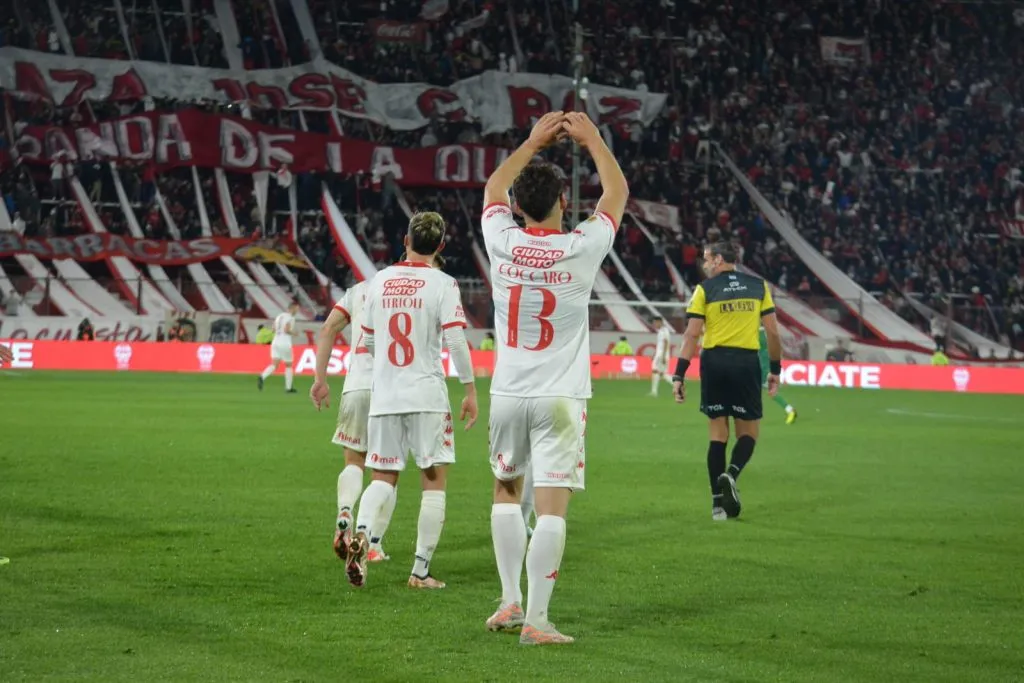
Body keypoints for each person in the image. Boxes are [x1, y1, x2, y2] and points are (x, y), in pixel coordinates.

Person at [481, 111, 628, 645]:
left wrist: (531, 140)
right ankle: (538, 622)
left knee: (504, 490)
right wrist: (591, 140)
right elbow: (617, 191)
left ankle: (508, 602)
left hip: (507, 391)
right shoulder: (581, 246)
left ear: (517, 208)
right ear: (565, 204)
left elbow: (494, 185)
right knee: (552, 506)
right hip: (561, 395)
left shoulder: (501, 239)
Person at [341, 212, 478, 590]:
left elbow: (366, 341)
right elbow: (454, 341)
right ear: (441, 247)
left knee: (383, 475)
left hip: (385, 394)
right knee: (433, 483)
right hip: (427, 395)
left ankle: (364, 534)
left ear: (405, 240)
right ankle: (419, 571)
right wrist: (469, 389)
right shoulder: (444, 284)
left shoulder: (379, 281)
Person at [672, 241, 782, 521]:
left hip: (714, 362)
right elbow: (772, 332)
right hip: (746, 363)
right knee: (749, 434)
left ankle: (717, 506)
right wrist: (775, 369)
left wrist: (679, 374)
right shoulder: (759, 287)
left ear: (720, 260)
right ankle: (730, 474)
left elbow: (691, 336)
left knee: (718, 434)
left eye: (707, 259)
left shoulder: (703, 290)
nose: (705, 264)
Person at [258, 302, 299, 393]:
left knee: (274, 364)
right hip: (284, 343)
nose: (297, 311)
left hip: (275, 342)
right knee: (288, 365)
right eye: (296, 309)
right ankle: (288, 388)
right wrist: (294, 333)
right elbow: (286, 330)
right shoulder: (290, 318)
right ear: (292, 308)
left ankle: (262, 376)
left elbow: (273, 329)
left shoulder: (279, 316)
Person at [759, 325, 797, 424]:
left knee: (771, 392)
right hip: (767, 367)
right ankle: (790, 410)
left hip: (764, 369)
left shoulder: (757, 335)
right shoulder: (767, 333)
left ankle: (790, 410)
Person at [650, 318, 674, 397]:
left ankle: (654, 392)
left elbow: (666, 343)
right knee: (662, 374)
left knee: (656, 371)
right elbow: (660, 345)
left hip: (661, 355)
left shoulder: (664, 331)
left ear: (659, 322)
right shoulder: (661, 331)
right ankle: (679, 386)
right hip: (659, 354)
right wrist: (655, 354)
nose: (654, 325)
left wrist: (663, 356)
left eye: (655, 323)